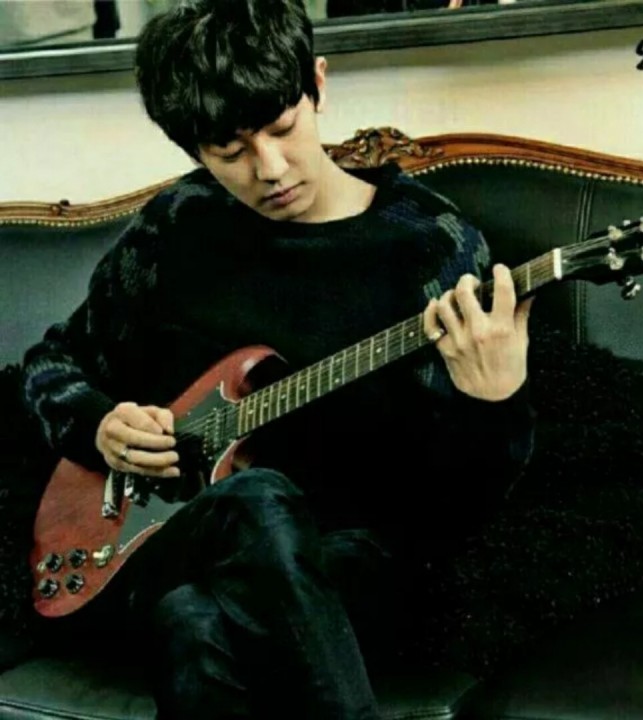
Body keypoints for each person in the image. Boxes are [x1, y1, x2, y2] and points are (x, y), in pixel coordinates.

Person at [20, 0, 535, 718]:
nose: (269, 168)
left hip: (357, 569)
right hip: (172, 539)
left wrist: (495, 400)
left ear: (317, 84)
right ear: (194, 152)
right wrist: (100, 425)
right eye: (229, 151)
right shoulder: (178, 227)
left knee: (191, 622)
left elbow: (463, 508)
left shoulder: (428, 246)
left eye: (282, 126)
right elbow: (52, 364)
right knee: (253, 501)